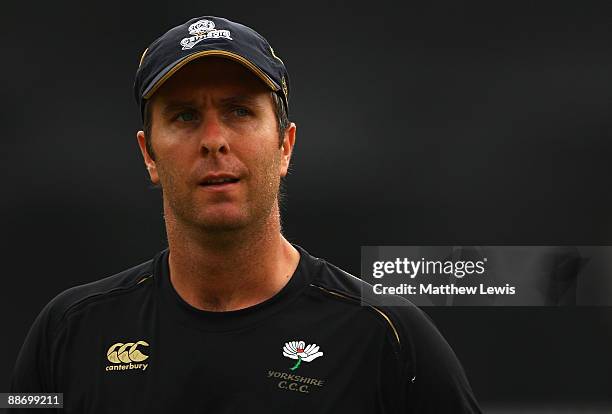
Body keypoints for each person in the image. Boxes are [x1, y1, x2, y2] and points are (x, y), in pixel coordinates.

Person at [9, 16, 482, 413]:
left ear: (285, 145)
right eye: (184, 116)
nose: (214, 139)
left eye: (238, 111)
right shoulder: (71, 331)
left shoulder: (385, 336)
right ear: (148, 154)